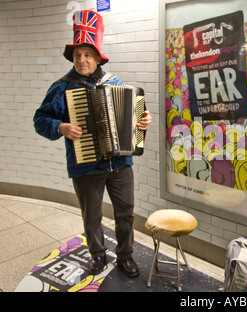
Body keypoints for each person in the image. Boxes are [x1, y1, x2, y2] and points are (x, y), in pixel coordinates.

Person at [33, 10, 151, 278]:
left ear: (98, 57)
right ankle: (98, 256)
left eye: (87, 54)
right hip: (84, 165)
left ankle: (126, 255)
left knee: (126, 213)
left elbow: (137, 118)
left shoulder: (116, 83)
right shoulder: (61, 87)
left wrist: (143, 122)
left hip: (120, 163)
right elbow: (40, 119)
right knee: (92, 216)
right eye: (77, 55)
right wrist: (60, 126)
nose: (82, 59)